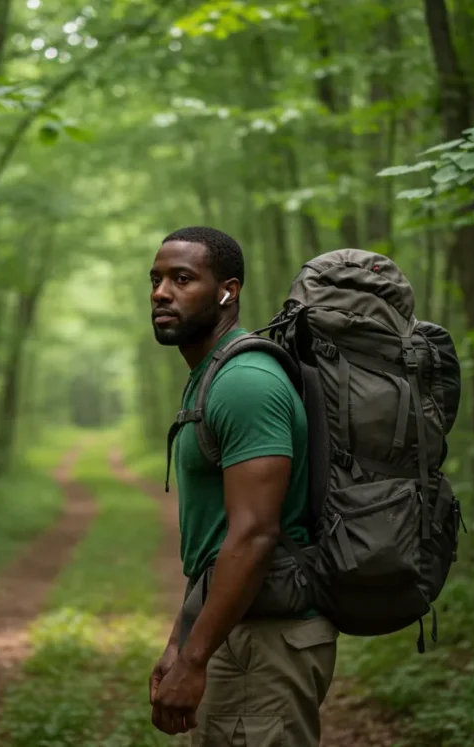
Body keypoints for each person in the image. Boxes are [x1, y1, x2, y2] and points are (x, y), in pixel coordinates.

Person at [147, 226, 338, 746]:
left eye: (182, 278)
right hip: (237, 631)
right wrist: (181, 639)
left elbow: (253, 534)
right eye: (157, 279)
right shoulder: (213, 375)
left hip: (265, 640)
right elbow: (217, 538)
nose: (161, 293)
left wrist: (194, 658)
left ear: (228, 291)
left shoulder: (246, 382)